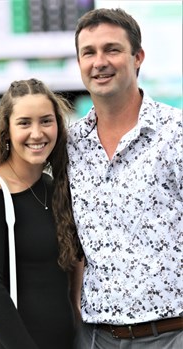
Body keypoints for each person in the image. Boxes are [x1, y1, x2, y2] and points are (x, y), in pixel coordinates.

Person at [67, 7, 183, 349]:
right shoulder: (70, 146)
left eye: (112, 49)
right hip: (98, 338)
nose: (99, 61)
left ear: (138, 58)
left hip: (173, 334)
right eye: (89, 52)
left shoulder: (175, 133)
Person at [0, 78, 80, 349]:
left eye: (46, 121)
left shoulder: (52, 187)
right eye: (24, 123)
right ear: (6, 130)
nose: (37, 133)